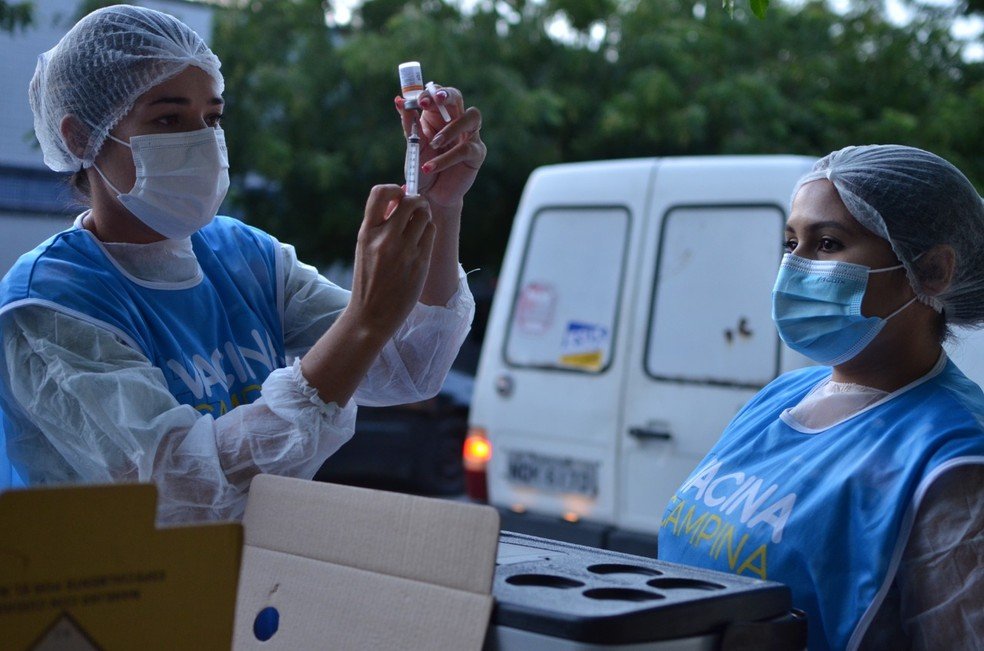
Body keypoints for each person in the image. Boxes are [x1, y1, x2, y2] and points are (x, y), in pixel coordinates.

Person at [0, 5, 486, 524]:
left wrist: (440, 203)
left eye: (212, 117)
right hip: (110, 596)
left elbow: (411, 367)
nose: (200, 140)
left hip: (253, 584)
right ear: (79, 138)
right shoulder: (49, 305)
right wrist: (363, 320)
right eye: (168, 118)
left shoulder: (242, 257)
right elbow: (178, 490)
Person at [656, 145, 984, 650]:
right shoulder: (782, 396)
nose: (795, 266)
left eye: (828, 243)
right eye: (791, 243)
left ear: (933, 271)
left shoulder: (953, 457)